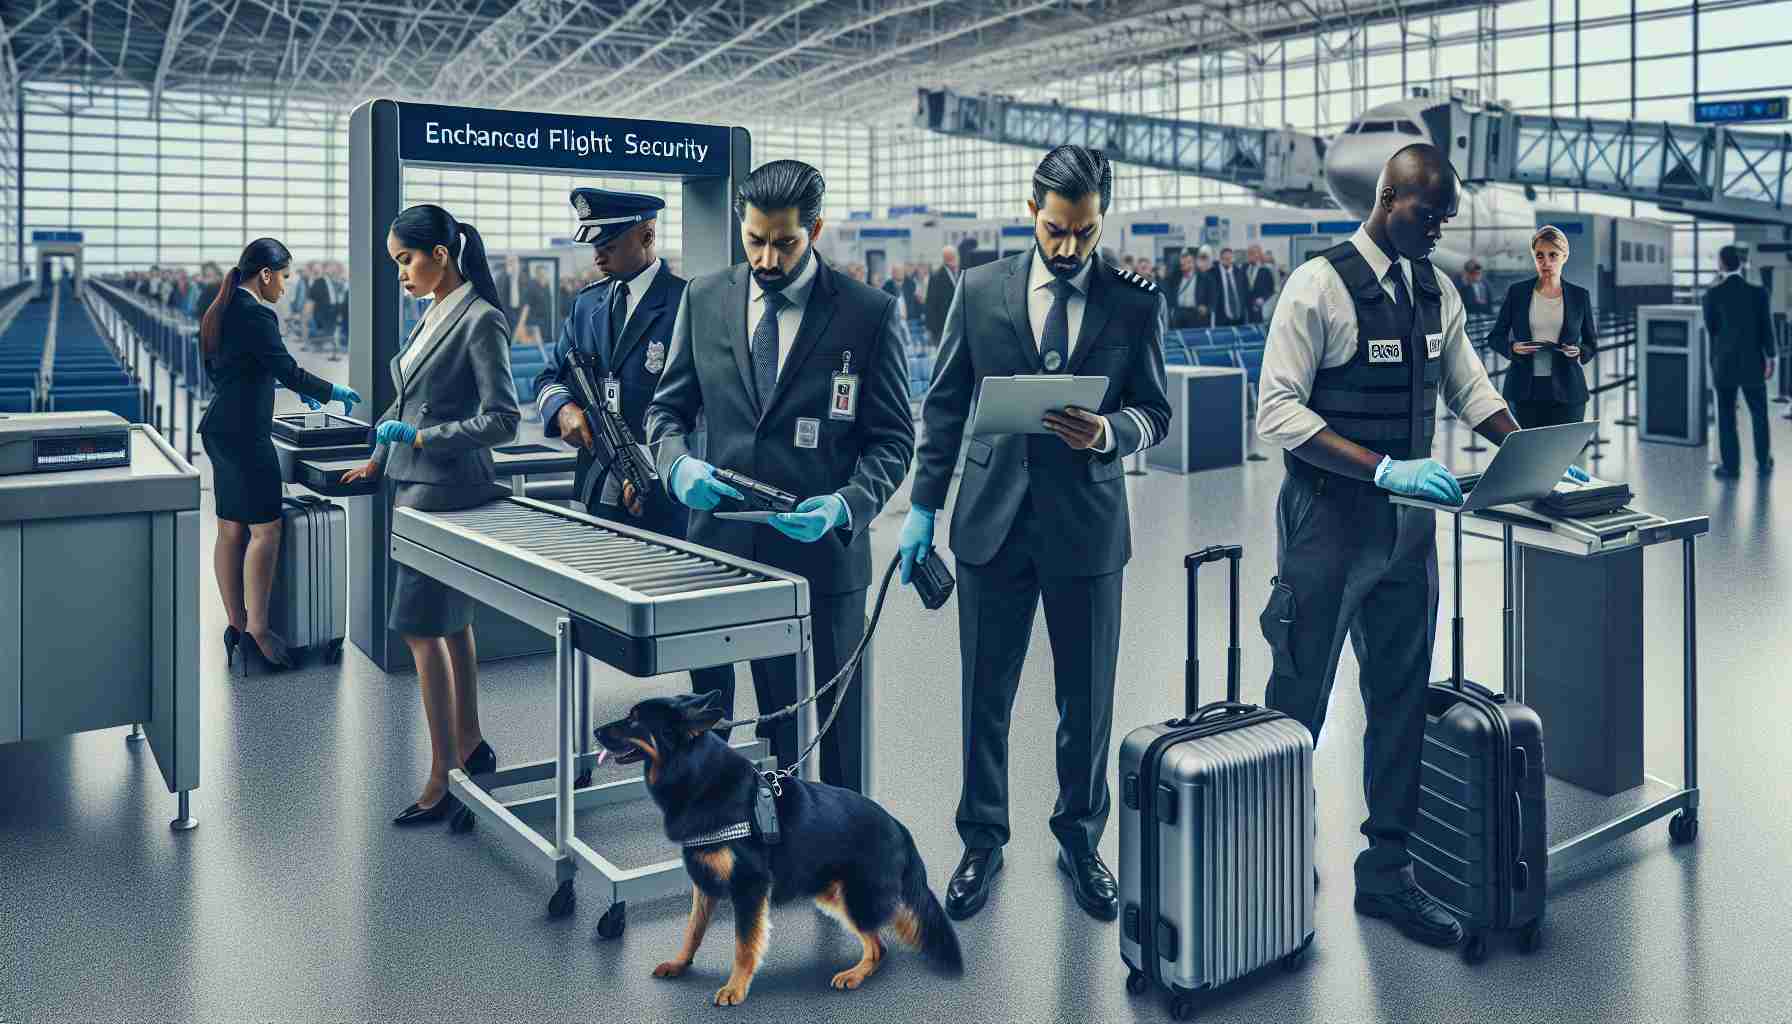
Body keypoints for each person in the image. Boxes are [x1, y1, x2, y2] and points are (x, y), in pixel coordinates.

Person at [1254, 143, 1582, 951]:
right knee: (1297, 700)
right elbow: (1278, 412)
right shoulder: (1319, 284)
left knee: (1399, 703)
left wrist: (1532, 456)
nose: (1440, 230)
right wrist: (1386, 467)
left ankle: (1387, 875)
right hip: (1327, 525)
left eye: (1446, 218)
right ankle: (1265, 867)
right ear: (1388, 200)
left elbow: (1470, 388)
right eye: (1429, 215)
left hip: (1405, 537)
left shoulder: (1436, 292)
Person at [898, 144, 1171, 924]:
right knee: (986, 693)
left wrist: (1112, 431)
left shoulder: (1134, 302)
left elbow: (1155, 410)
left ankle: (1081, 839)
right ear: (1031, 211)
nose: (1069, 248)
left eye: (1084, 233)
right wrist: (923, 506)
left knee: (1086, 699)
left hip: (1086, 526)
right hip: (991, 523)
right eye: (1055, 230)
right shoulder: (980, 291)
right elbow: (946, 406)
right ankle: (981, 838)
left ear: (1101, 220)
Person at [645, 160, 914, 795]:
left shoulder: (867, 314)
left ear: (815, 229)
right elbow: (667, 410)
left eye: (785, 242)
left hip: (827, 553)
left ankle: (849, 848)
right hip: (728, 554)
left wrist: (845, 505)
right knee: (768, 719)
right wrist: (676, 465)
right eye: (755, 239)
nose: (767, 257)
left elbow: (893, 439)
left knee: (840, 721)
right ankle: (779, 826)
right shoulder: (704, 299)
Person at [339, 204, 520, 826]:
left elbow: (502, 420)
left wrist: (418, 442)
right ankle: (469, 745)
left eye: (406, 260)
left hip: (443, 490)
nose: (401, 273)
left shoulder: (480, 320)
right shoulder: (435, 314)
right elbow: (408, 399)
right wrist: (379, 454)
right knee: (449, 625)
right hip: (415, 484)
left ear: (440, 254)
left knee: (420, 628)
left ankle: (443, 773)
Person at [196, 238, 360, 672]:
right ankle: (260, 631)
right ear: (266, 275)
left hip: (218, 428)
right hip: (248, 435)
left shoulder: (220, 309)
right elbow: (285, 365)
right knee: (266, 532)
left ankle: (236, 625)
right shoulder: (256, 312)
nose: (286, 287)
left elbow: (234, 369)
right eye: (284, 277)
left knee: (231, 531)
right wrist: (328, 392)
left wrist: (280, 386)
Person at [535, 188, 688, 539]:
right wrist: (563, 409)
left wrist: (656, 476)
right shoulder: (588, 305)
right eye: (594, 248)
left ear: (647, 236)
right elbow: (549, 377)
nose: (598, 259)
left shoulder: (686, 304)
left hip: (661, 493)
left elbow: (702, 407)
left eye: (609, 247)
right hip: (594, 484)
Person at [1484, 225, 1597, 430]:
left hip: (1568, 390)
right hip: (1524, 390)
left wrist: (1579, 351)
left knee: (1562, 453)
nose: (1546, 262)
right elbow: (1495, 337)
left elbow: (1591, 343)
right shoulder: (1517, 293)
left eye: (1553, 255)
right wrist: (1512, 348)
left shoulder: (1580, 296)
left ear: (1565, 256)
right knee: (1529, 455)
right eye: (1540, 256)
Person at [1703, 245, 1777, 478]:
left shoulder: (1712, 295)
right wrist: (1771, 357)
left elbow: (1712, 328)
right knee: (1759, 413)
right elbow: (1767, 328)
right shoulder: (1759, 293)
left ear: (1722, 264)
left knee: (1725, 416)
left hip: (1723, 364)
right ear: (1742, 264)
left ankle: (1731, 467)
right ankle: (1763, 461)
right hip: (1753, 363)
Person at [1166, 248, 1212, 329]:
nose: (1183, 263)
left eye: (1187, 262)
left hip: (1196, 313)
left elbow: (1212, 296)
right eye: (1182, 261)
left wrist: (1207, 308)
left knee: (1194, 338)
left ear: (1193, 263)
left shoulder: (1204, 278)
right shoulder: (1175, 277)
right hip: (1179, 313)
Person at [925, 245, 961, 347]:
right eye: (952, 256)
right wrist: (932, 330)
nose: (954, 259)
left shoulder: (960, 273)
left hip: (957, 325)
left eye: (954, 256)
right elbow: (931, 303)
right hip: (942, 327)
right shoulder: (936, 276)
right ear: (946, 258)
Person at [1208, 246, 1248, 326]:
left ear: (1232, 258)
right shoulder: (1212, 273)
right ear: (1220, 259)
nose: (1227, 261)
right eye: (1225, 258)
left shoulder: (1240, 273)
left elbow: (1245, 292)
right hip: (1221, 318)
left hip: (1240, 317)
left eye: (1229, 258)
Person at [1244, 244, 1275, 324]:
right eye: (1249, 253)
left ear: (1258, 255)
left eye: (1252, 253)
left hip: (1260, 306)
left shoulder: (1266, 270)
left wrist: (1263, 299)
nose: (1249, 256)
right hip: (1246, 308)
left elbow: (1271, 290)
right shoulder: (1244, 268)